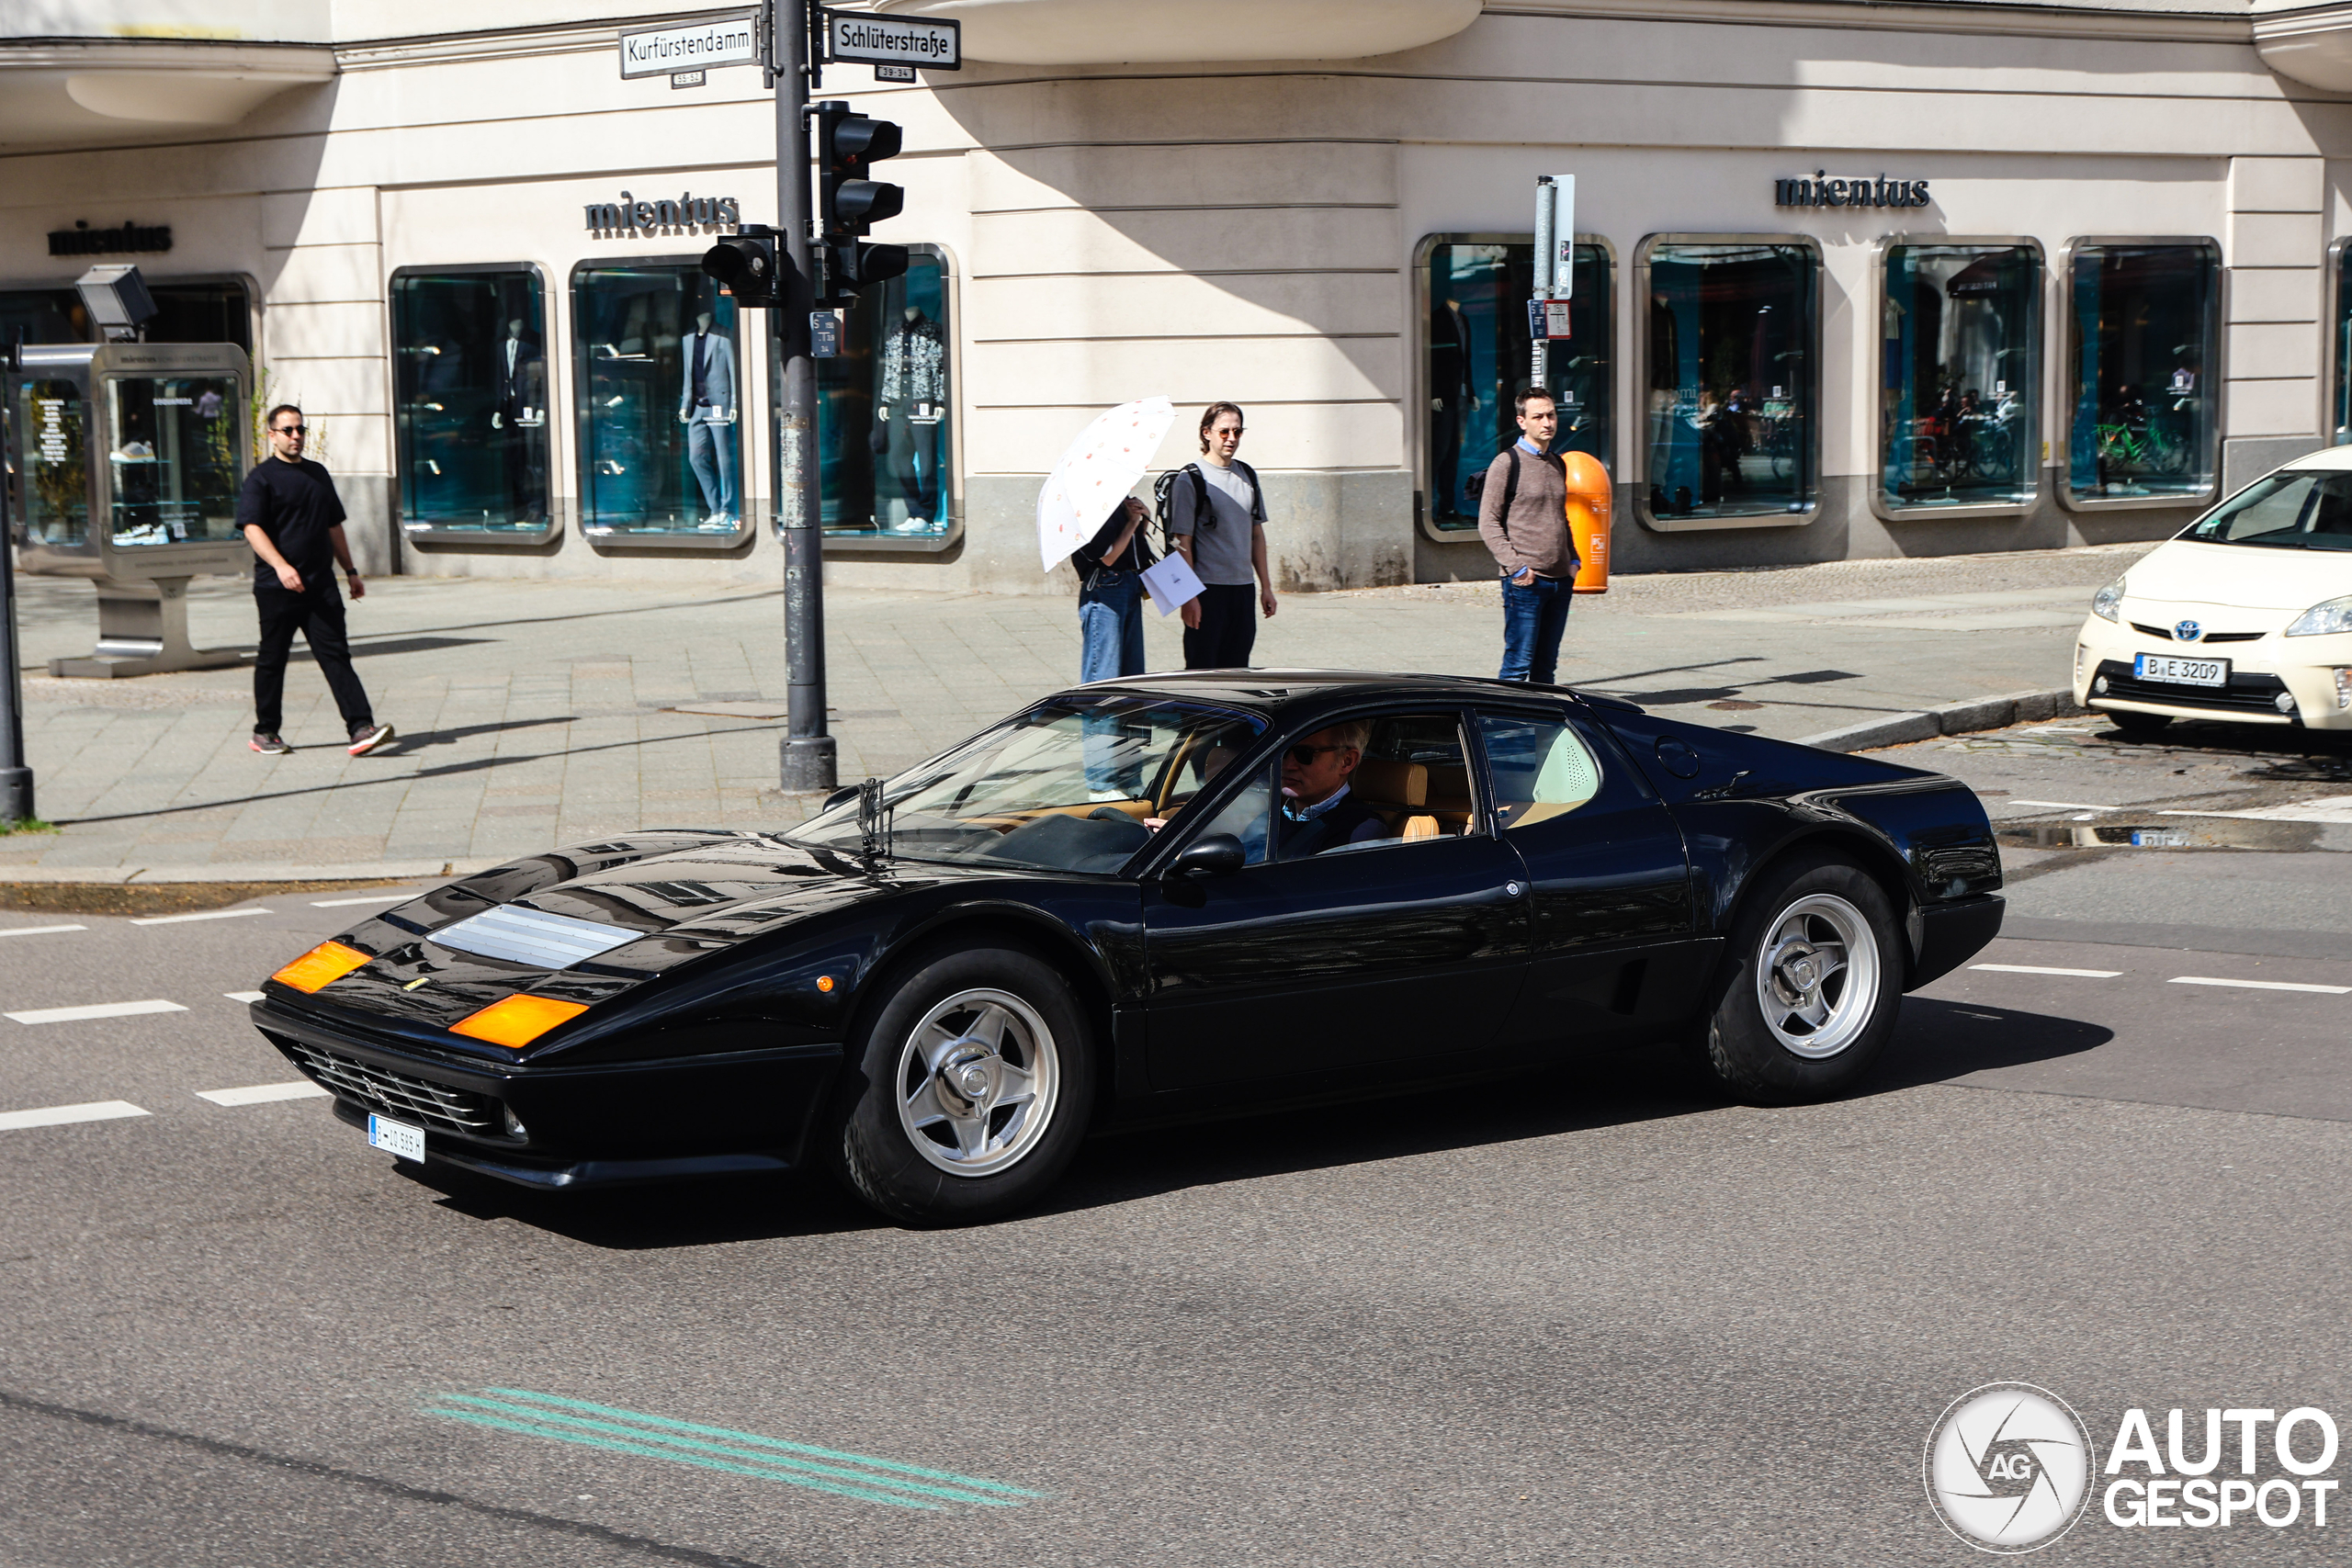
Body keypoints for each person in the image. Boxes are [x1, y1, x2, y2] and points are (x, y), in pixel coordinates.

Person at [239, 404, 394, 757]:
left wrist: (350, 571)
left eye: (300, 430)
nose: (296, 437)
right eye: (288, 431)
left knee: (336, 655)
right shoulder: (261, 478)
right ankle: (265, 731)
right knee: (273, 658)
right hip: (277, 587)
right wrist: (280, 566)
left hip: (320, 585)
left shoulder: (318, 474)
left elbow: (333, 526)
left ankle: (360, 727)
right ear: (272, 435)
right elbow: (252, 528)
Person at [1477, 387, 1582, 685]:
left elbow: (1560, 516)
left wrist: (1573, 558)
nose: (1547, 422)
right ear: (1522, 421)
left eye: (1551, 415)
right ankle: (1505, 729)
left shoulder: (1557, 463)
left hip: (1560, 580)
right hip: (1526, 583)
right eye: (1538, 417)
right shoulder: (1507, 463)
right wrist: (1517, 568)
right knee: (1517, 666)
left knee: (1545, 668)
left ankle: (1540, 727)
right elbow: (1488, 522)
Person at [1165, 401, 1277, 670]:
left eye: (1237, 432)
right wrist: (1187, 597)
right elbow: (1182, 543)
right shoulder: (1189, 479)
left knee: (1238, 670)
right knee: (1202, 671)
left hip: (1242, 588)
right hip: (1206, 590)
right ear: (1207, 433)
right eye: (1224, 432)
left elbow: (1256, 534)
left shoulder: (1246, 474)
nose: (1232, 439)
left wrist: (1266, 587)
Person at [1072, 494, 1155, 797]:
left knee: (1133, 689)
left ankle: (1130, 775)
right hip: (1104, 591)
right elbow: (1107, 556)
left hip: (1129, 586)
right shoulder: (1091, 505)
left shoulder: (1120, 501)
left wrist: (1141, 522)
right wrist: (1132, 522)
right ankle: (1101, 782)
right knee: (1102, 688)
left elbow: (1133, 551)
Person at [1274, 720, 1384, 856]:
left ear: (1346, 761)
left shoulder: (1358, 831)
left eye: (1304, 754)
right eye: (1283, 751)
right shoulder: (1270, 817)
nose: (1288, 765)